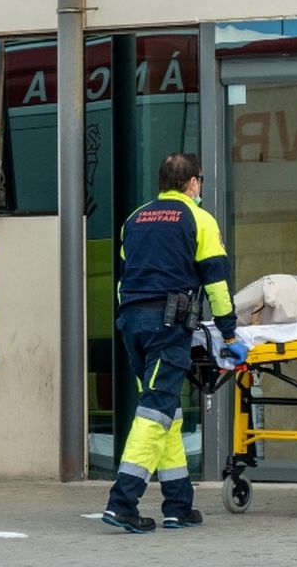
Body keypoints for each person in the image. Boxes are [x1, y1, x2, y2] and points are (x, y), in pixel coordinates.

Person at [103, 153, 246, 533]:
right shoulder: (199, 219)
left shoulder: (134, 219)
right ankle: (122, 502)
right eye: (200, 182)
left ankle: (178, 505)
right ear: (193, 183)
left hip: (132, 323)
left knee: (165, 410)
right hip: (167, 326)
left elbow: (126, 273)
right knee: (155, 410)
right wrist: (229, 333)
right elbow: (216, 282)